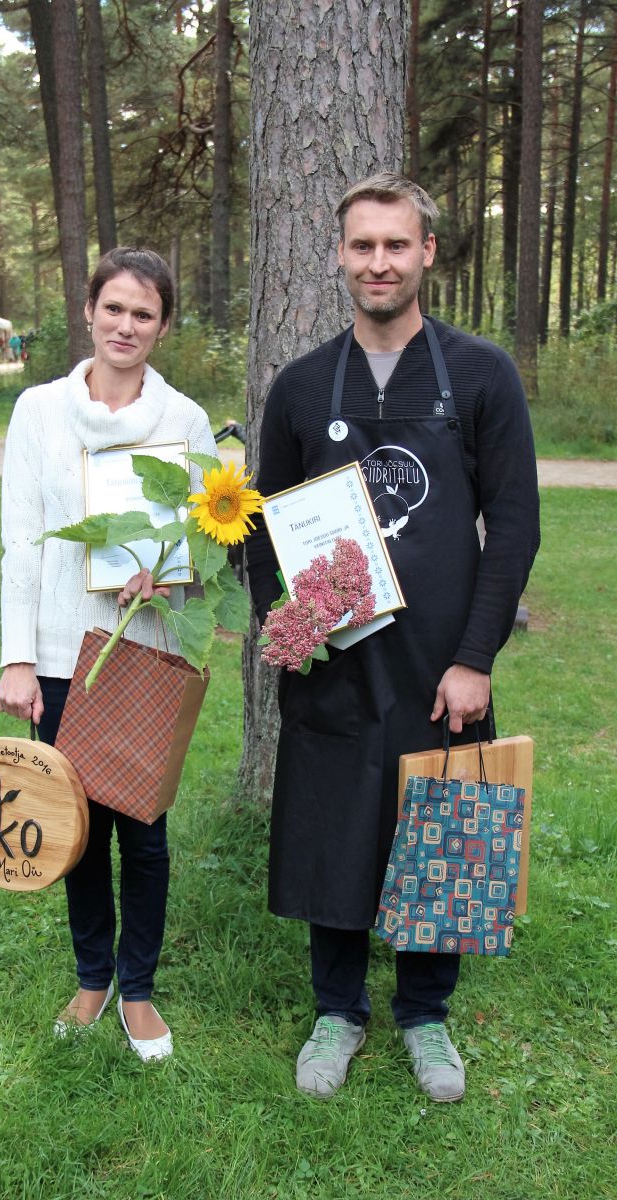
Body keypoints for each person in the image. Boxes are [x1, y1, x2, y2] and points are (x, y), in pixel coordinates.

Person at [246, 173, 540, 1104]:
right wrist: (280, 626)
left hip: (440, 658)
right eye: (363, 245)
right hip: (339, 655)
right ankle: (337, 1008)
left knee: (442, 825)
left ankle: (425, 1013)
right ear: (340, 255)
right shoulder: (300, 386)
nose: (380, 261)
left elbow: (517, 524)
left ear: (427, 254)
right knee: (333, 818)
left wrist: (476, 657)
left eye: (396, 245)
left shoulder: (483, 373)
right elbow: (262, 526)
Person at [0, 247, 218, 1062]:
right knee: (78, 828)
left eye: (145, 314)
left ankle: (142, 989)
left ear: (162, 327)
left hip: (143, 650)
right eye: (114, 308)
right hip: (59, 650)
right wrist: (19, 657)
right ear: (89, 311)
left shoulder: (186, 423)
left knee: (144, 832)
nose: (127, 326)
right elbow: (21, 541)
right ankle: (93, 976)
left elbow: (198, 545)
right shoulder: (38, 411)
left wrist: (166, 583)